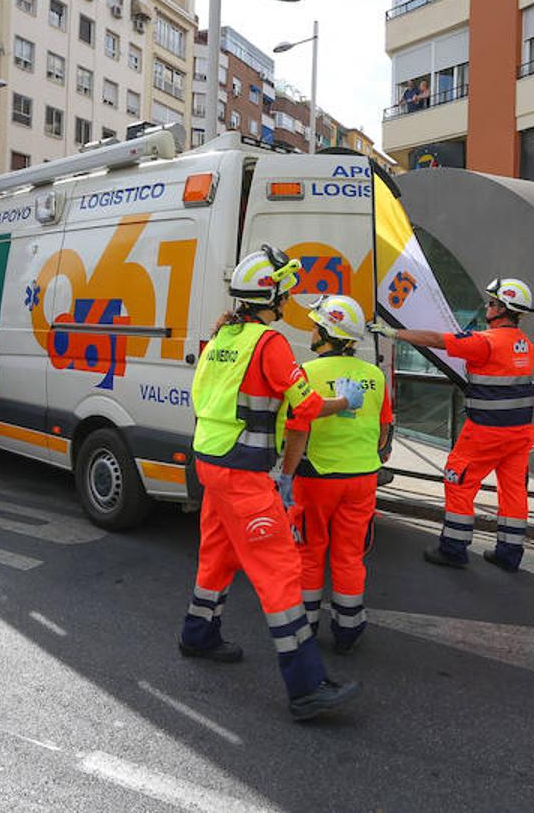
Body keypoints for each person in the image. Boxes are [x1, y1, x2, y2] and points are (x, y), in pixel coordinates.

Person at [180, 245, 365, 722]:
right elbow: (303, 406)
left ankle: (198, 635)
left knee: (218, 552)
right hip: (243, 471)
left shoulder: (221, 337)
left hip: (210, 462)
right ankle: (305, 687)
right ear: (273, 294)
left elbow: (202, 397)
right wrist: (343, 403)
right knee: (280, 570)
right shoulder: (269, 343)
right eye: (286, 288)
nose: (289, 297)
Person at [370, 277, 534, 572]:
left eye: (492, 302)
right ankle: (510, 554)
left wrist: (394, 333)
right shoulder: (526, 345)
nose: (487, 306)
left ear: (502, 308)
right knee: (513, 492)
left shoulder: (485, 342)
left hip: (485, 431)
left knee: (458, 481)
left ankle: (453, 548)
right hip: (520, 432)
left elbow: (437, 340)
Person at [277, 295, 392, 655]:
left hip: (316, 478)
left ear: (327, 332)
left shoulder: (307, 374)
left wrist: (285, 476)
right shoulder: (374, 375)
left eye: (316, 326)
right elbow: (384, 429)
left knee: (310, 551)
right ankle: (348, 626)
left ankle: (307, 623)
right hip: (362, 478)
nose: (312, 330)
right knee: (350, 554)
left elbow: (294, 430)